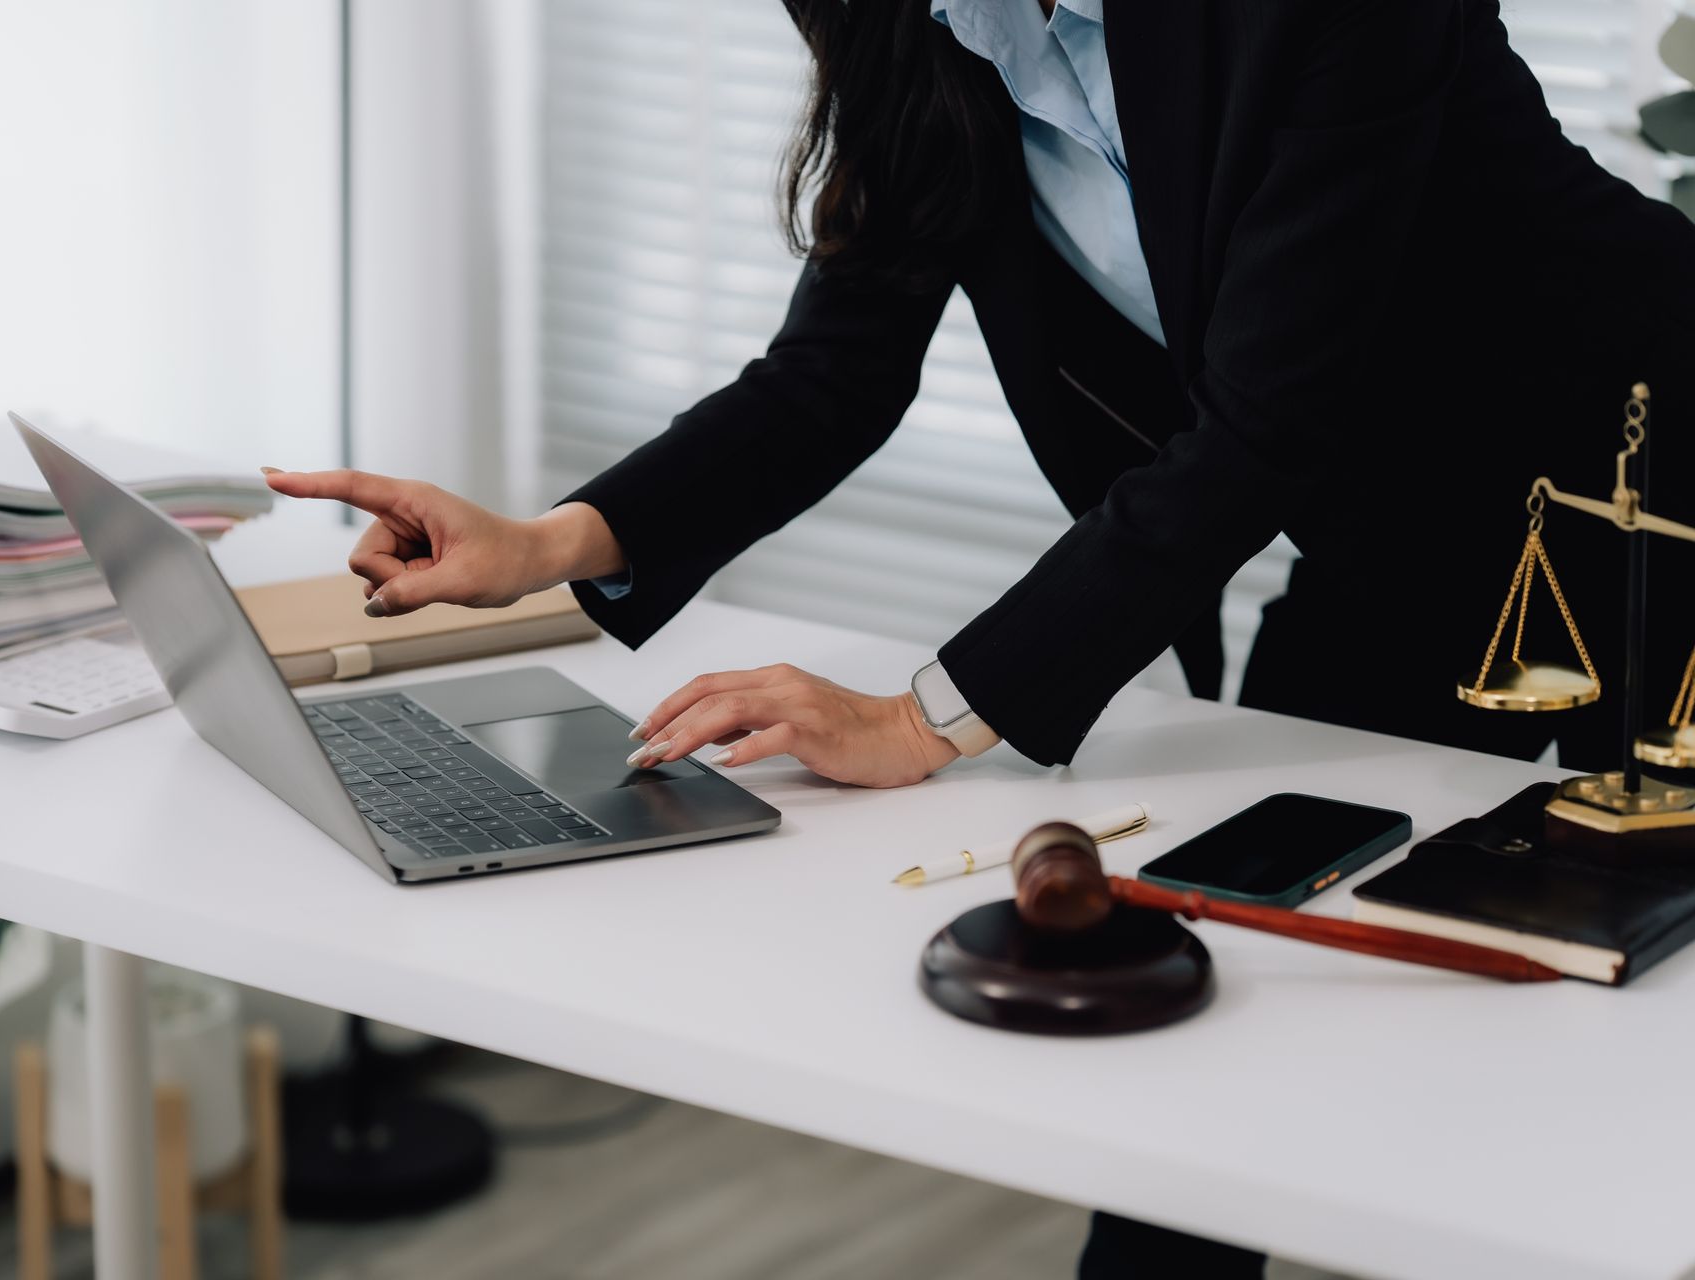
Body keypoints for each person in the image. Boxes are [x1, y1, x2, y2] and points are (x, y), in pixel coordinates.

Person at [265, 0, 1695, 1273]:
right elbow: (834, 369)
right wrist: (547, 548)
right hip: (1406, 553)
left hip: (1660, 497)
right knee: (1221, 1014)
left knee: (1651, 1066)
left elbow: (1265, 420)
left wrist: (920, 717)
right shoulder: (923, 30)